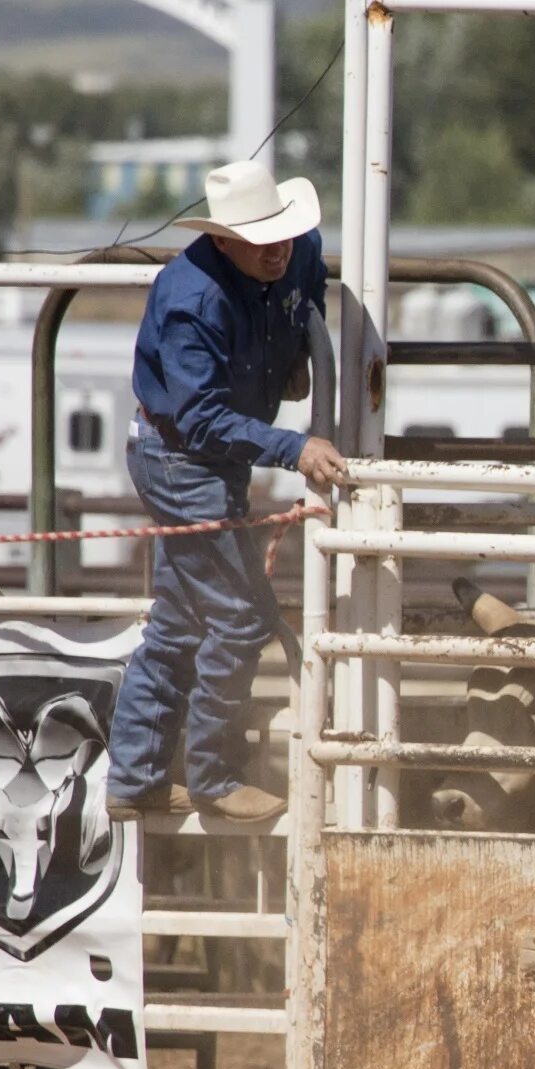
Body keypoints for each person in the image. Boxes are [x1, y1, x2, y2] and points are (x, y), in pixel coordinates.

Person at [107, 161, 349, 825]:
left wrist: (302, 345)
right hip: (179, 457)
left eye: (281, 233)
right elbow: (201, 418)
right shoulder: (192, 300)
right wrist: (294, 446)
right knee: (239, 615)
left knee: (185, 617)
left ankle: (136, 774)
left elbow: (311, 273)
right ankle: (211, 774)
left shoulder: (297, 252)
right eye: (258, 238)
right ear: (221, 241)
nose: (277, 248)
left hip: (204, 458)